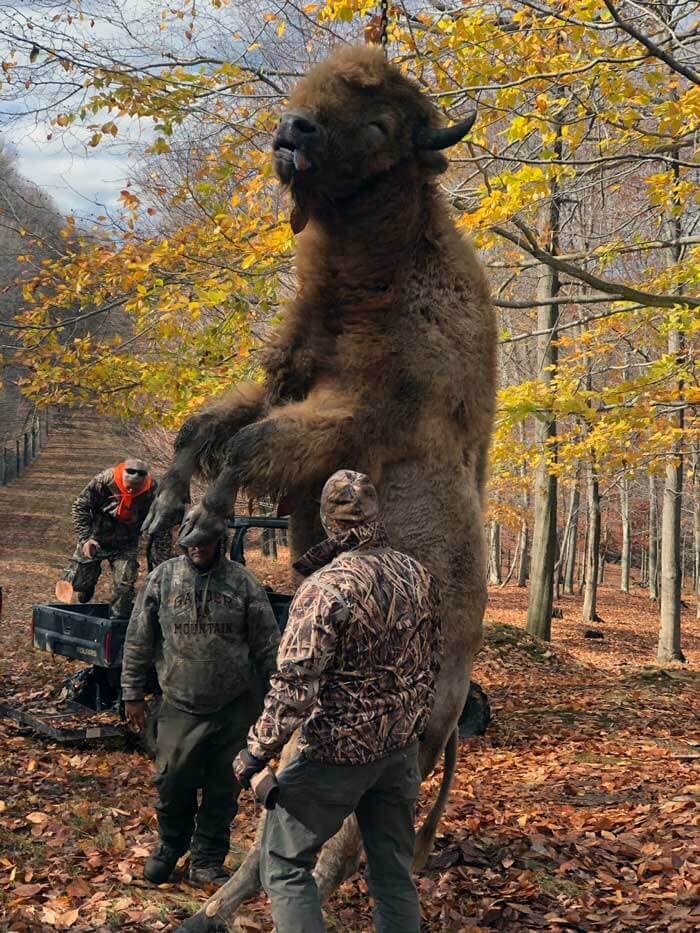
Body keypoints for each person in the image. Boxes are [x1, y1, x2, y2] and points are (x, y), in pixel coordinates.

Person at [234, 469, 442, 933]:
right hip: (399, 752)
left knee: (284, 863)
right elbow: (432, 663)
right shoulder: (418, 575)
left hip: (337, 756)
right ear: (375, 512)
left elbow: (294, 685)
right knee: (392, 871)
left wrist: (255, 751)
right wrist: (408, 725)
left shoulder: (325, 588)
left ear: (329, 520)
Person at [121, 527, 280, 887]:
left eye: (205, 542)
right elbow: (138, 637)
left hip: (235, 704)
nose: (197, 549)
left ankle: (208, 857)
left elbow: (269, 643)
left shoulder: (242, 581)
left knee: (224, 786)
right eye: (190, 543)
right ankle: (170, 844)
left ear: (218, 541)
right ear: (181, 542)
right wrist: (131, 691)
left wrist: (278, 699)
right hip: (179, 701)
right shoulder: (163, 578)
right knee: (172, 780)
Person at [58, 458, 166, 618]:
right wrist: (86, 538)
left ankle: (117, 623)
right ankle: (87, 584)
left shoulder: (152, 490)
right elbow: (80, 506)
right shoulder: (103, 481)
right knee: (77, 582)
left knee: (125, 586)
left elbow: (160, 518)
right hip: (96, 539)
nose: (130, 492)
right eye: (128, 488)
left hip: (125, 543)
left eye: (135, 490)